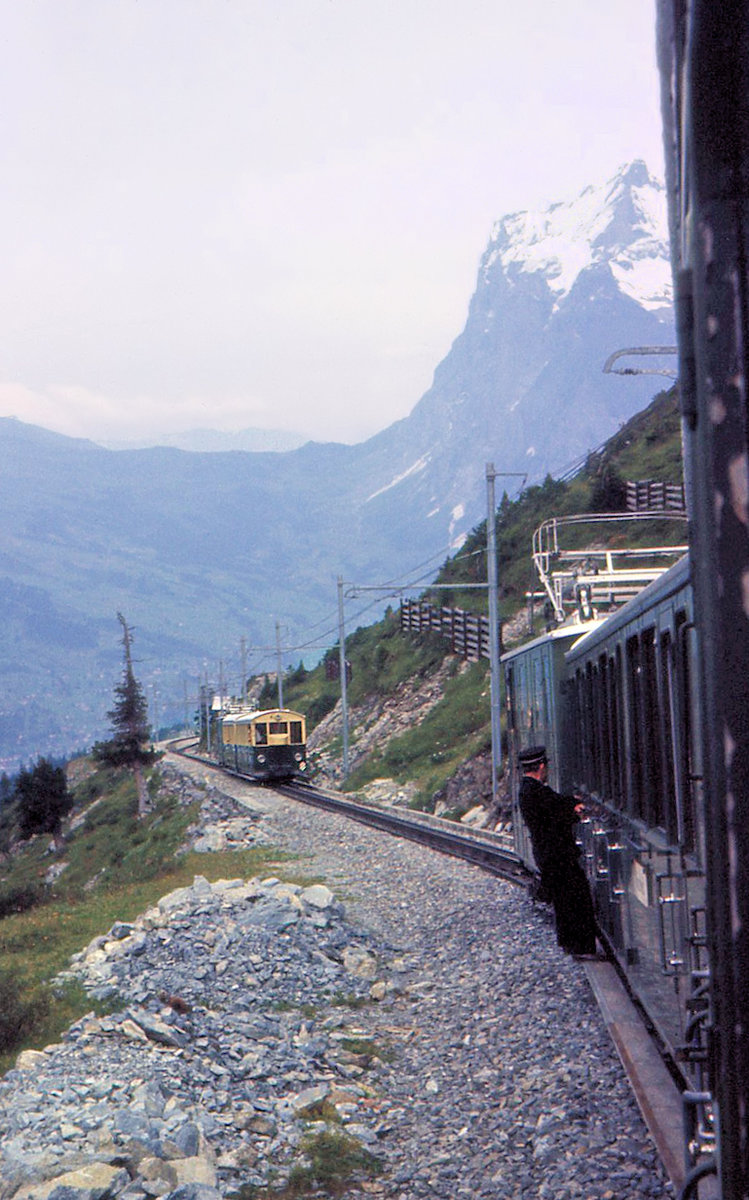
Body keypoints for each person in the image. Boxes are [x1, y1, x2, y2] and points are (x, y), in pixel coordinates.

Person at [517, 745, 598, 959]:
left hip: (551, 855)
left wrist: (571, 805)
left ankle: (573, 945)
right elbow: (554, 815)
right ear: (541, 766)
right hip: (556, 856)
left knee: (566, 900)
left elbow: (556, 803)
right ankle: (580, 947)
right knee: (574, 899)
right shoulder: (534, 791)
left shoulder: (530, 789)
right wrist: (574, 813)